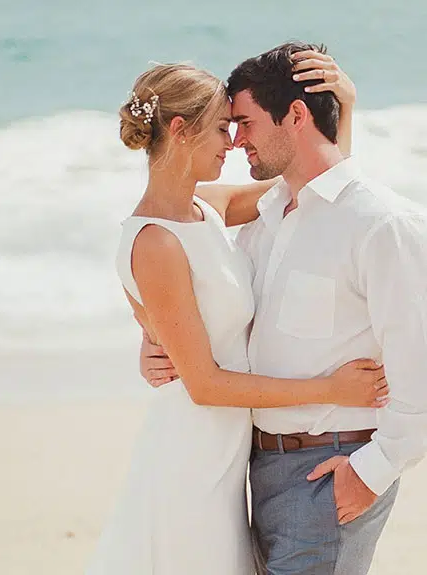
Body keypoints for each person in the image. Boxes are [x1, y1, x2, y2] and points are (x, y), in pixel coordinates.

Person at [140, 42, 427, 574]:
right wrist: (155, 340)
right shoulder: (265, 221)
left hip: (327, 470)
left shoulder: (384, 225)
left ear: (294, 115)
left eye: (243, 122)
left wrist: (373, 470)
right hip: (253, 467)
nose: (235, 138)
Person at [87, 53, 385, 575]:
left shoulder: (205, 208)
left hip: (232, 454)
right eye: (222, 129)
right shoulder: (154, 241)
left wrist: (344, 111)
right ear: (180, 130)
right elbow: (204, 385)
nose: (234, 143)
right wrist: (330, 390)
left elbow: (311, 184)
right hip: (192, 456)